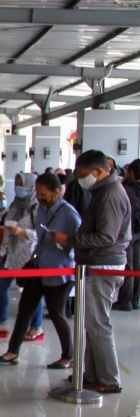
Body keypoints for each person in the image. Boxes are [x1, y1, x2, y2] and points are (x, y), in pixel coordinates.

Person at [51, 150, 132, 393]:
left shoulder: (110, 195)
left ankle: (108, 379)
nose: (80, 180)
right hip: (95, 264)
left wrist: (71, 239)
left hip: (103, 265)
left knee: (98, 324)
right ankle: (92, 374)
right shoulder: (102, 192)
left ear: (97, 172)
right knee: (90, 323)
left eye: (83, 175)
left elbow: (106, 237)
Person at [0, 173, 80, 368]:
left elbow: (79, 244)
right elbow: (39, 238)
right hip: (39, 267)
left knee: (57, 313)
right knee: (25, 309)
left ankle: (68, 356)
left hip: (59, 271)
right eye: (37, 193)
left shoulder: (69, 214)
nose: (39, 198)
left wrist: (65, 241)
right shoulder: (42, 210)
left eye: (43, 194)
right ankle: (12, 352)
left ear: (56, 192)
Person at [0, 173, 44, 339]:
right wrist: (2, 251)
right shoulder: (15, 205)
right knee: (0, 285)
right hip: (10, 254)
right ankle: (1, 322)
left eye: (21, 184)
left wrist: (22, 232)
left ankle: (36, 326)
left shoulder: (37, 207)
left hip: (28, 254)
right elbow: (7, 231)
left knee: (31, 292)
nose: (18, 187)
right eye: (16, 183)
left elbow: (42, 233)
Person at [112, 158, 140, 311]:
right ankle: (136, 299)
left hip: (129, 232)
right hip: (139, 232)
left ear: (132, 173)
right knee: (137, 266)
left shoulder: (125, 190)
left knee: (128, 267)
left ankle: (125, 300)